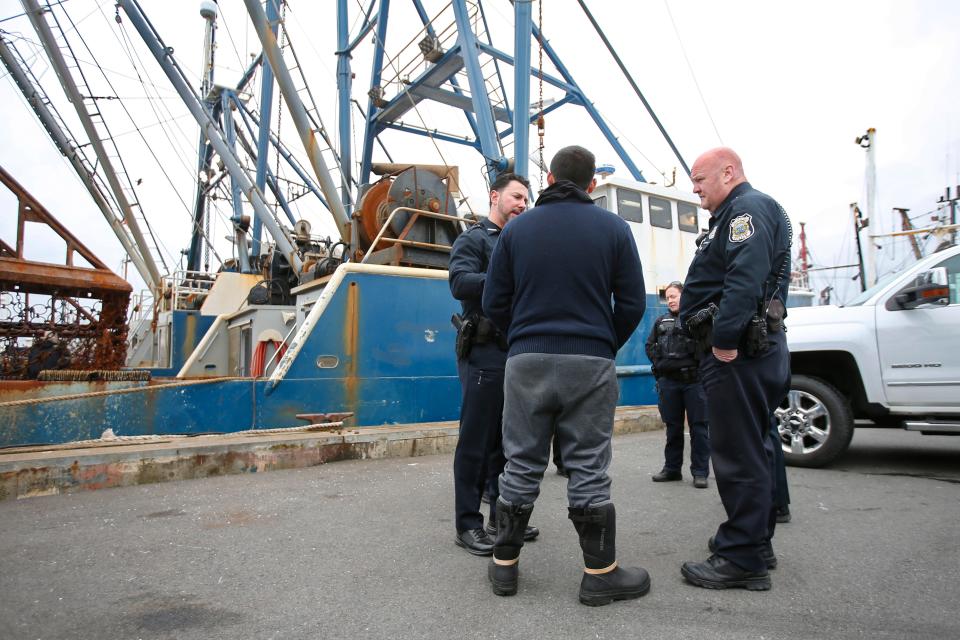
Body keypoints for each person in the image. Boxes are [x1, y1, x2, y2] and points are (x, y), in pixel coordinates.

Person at [482, 145, 649, 606]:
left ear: (550, 179)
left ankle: (504, 568)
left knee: (520, 462)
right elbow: (632, 302)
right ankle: (600, 575)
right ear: (592, 184)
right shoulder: (615, 228)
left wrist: (522, 337)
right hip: (590, 362)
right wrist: (600, 344)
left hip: (526, 360)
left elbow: (494, 300)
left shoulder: (518, 230)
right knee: (589, 465)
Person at [678, 147, 792, 591]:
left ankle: (742, 558)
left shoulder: (744, 210)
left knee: (737, 453)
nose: (695, 187)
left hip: (738, 354)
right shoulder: (745, 211)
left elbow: (744, 278)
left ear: (729, 172)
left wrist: (724, 340)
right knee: (755, 447)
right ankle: (755, 542)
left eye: (700, 178)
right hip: (754, 351)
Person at [448, 172, 539, 556]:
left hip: (513, 352)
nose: (522, 204)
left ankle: (501, 517)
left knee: (505, 443)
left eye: (526, 200)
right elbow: (459, 282)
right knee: (475, 441)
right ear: (494, 196)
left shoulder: (522, 242)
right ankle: (468, 524)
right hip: (484, 351)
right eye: (516, 197)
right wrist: (502, 277)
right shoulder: (474, 239)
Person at [645, 281, 710, 488]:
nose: (670, 300)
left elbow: (708, 347)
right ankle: (672, 469)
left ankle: (700, 472)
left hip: (694, 382)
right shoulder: (660, 321)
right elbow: (649, 345)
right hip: (669, 382)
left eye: (674, 296)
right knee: (672, 428)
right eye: (669, 297)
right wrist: (660, 363)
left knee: (699, 428)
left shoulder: (697, 321)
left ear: (685, 296)